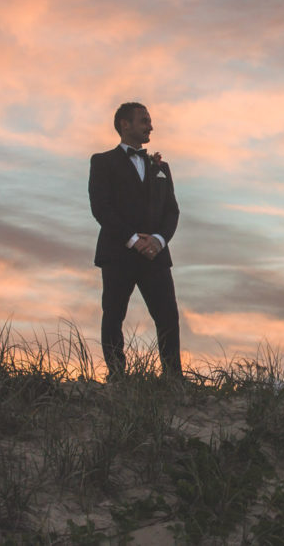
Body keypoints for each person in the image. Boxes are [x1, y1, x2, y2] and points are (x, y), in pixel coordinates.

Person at [88, 102, 182, 380]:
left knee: (168, 317)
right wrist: (132, 239)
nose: (150, 126)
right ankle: (117, 376)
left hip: (155, 255)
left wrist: (158, 240)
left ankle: (173, 377)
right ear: (124, 124)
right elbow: (101, 208)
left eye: (150, 121)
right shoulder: (102, 162)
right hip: (118, 253)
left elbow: (172, 210)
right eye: (144, 120)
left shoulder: (161, 167)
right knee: (114, 315)